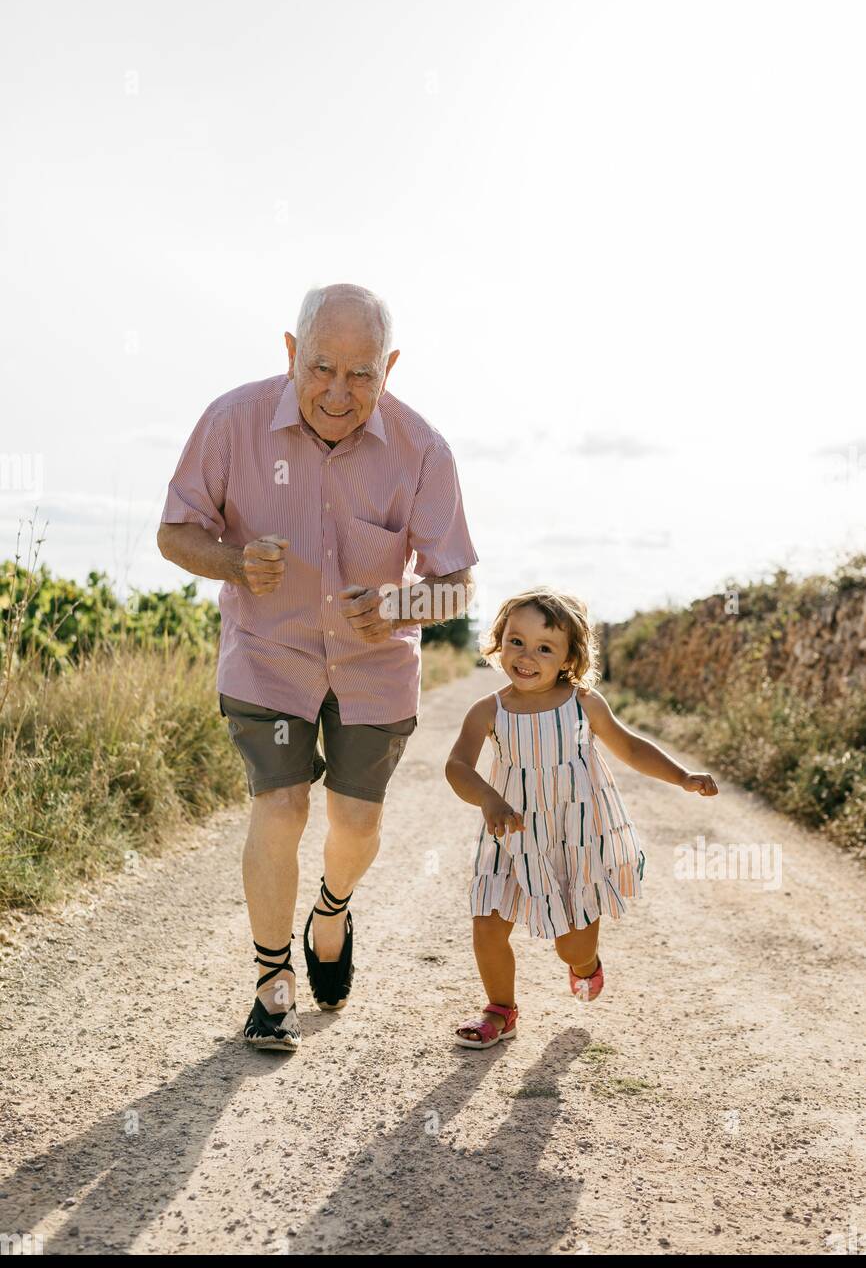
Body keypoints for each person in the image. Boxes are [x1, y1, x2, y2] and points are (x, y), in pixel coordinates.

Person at [157, 283, 478, 1051]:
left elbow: (457, 585)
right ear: (292, 353)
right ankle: (273, 985)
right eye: (322, 368)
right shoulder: (232, 423)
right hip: (269, 659)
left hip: (375, 669)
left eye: (362, 373)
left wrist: (401, 609)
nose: (340, 392)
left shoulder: (423, 450)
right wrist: (234, 562)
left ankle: (331, 910)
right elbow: (175, 533)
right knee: (281, 805)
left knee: (356, 824)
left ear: (390, 367)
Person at [444, 587, 718, 1048]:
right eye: (516, 641)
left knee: (571, 945)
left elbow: (630, 747)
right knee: (487, 922)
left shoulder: (582, 703)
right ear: (498, 640)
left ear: (570, 657)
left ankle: (585, 964)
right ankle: (500, 1009)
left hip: (577, 836)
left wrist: (682, 775)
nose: (526, 656)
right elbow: (457, 767)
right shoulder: (488, 710)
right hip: (510, 833)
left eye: (544, 648)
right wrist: (488, 799)